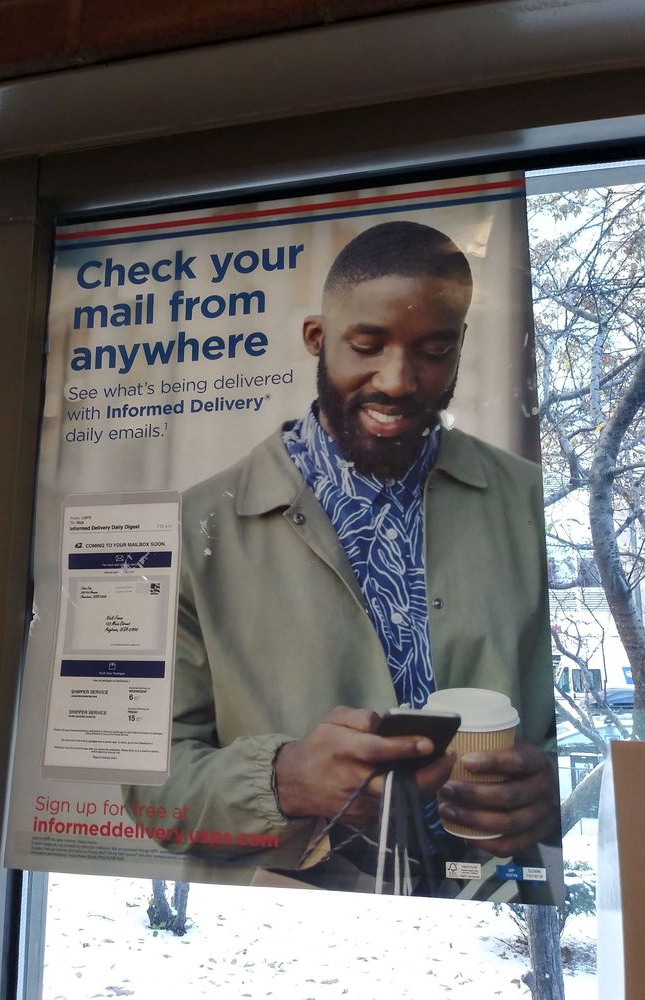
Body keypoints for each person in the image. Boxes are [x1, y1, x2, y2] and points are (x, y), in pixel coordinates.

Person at [124, 220, 560, 898]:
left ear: (460, 346)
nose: (398, 380)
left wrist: (547, 786)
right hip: (285, 929)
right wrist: (285, 780)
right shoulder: (195, 526)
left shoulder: (532, 502)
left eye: (433, 350)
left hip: (495, 915)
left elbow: (579, 727)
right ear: (316, 338)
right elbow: (150, 789)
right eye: (367, 345)